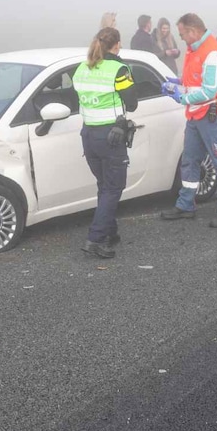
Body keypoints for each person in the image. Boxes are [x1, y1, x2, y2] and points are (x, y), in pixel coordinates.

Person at [159, 13, 217, 228]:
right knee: (190, 160)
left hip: (213, 116)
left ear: (193, 31)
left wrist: (181, 97)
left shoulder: (212, 53)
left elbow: (209, 91)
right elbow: (194, 79)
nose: (181, 38)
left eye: (182, 34)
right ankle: (186, 205)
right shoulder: (195, 49)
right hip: (196, 115)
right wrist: (177, 82)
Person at [73, 27, 139, 258]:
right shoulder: (118, 69)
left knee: (104, 185)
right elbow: (132, 103)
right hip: (111, 136)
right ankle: (95, 239)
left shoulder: (82, 68)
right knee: (113, 188)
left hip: (88, 135)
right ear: (117, 45)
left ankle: (110, 232)